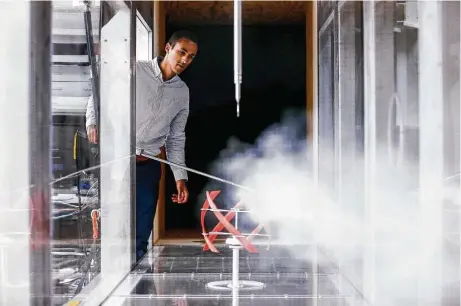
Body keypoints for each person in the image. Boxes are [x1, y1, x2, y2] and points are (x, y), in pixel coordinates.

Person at [85, 30, 199, 260]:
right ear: (168, 48)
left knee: (141, 230)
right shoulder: (135, 70)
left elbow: (176, 137)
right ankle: (107, 270)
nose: (185, 60)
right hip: (118, 160)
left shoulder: (182, 92)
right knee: (114, 224)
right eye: (182, 52)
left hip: (149, 166)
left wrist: (180, 177)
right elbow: (101, 91)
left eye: (191, 56)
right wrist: (92, 122)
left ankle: (135, 280)